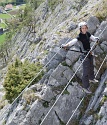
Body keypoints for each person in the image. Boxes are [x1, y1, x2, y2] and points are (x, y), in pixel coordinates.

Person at [62, 22, 99, 94]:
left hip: (89, 53)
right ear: (80, 29)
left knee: (91, 67)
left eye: (85, 28)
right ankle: (85, 87)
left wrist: (96, 39)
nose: (84, 29)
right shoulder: (79, 37)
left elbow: (92, 37)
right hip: (84, 55)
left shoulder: (87, 34)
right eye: (83, 28)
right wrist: (66, 45)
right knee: (85, 72)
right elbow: (73, 41)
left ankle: (91, 78)